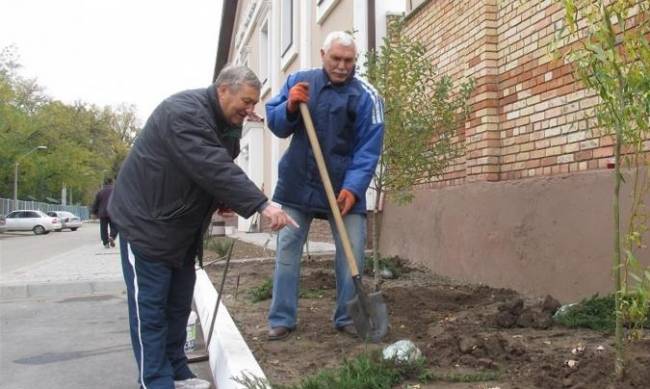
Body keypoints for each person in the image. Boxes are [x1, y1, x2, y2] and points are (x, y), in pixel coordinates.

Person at [108, 66, 297, 389]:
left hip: (180, 230)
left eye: (253, 103)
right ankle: (154, 381)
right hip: (146, 226)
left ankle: (177, 372)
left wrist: (221, 201)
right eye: (247, 101)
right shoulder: (183, 113)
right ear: (224, 89)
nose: (250, 110)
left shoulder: (226, 124)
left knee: (179, 305)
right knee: (151, 312)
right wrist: (261, 204)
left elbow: (205, 175)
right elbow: (211, 165)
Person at [265, 31, 385, 341]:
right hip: (299, 183)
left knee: (353, 251)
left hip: (344, 187)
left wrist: (355, 187)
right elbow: (276, 124)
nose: (343, 66)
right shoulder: (300, 82)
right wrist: (290, 107)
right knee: (288, 249)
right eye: (336, 59)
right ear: (322, 55)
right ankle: (282, 318)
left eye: (349, 60)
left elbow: (368, 148)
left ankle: (347, 316)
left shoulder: (366, 96)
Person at [91, 177, 117, 248]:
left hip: (102, 213)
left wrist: (93, 213)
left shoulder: (100, 192)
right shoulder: (115, 191)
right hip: (113, 212)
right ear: (112, 182)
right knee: (115, 226)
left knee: (103, 228)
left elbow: (96, 203)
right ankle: (112, 236)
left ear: (105, 183)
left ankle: (106, 243)